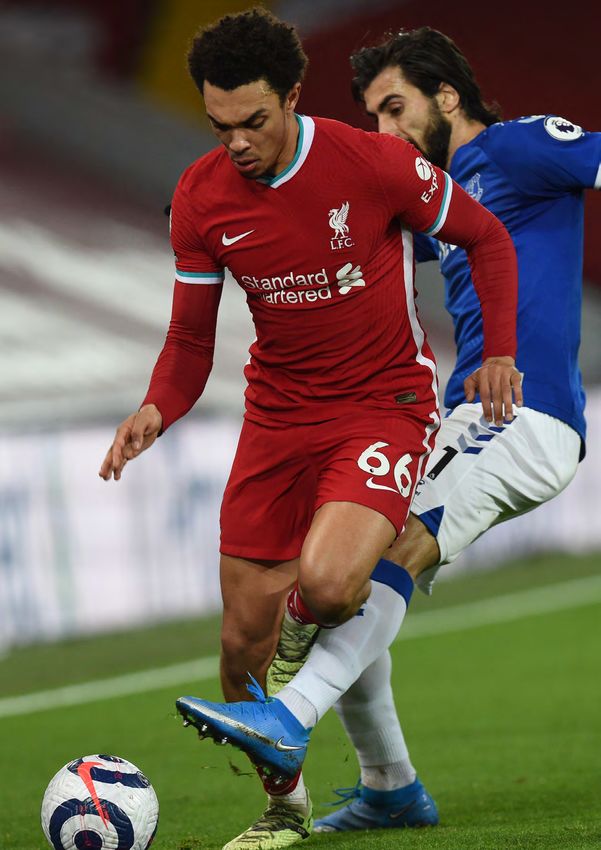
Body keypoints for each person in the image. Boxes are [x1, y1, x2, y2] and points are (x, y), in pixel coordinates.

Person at [99, 10, 520, 849]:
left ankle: (307, 640)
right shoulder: (201, 197)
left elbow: (486, 235)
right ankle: (283, 810)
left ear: (292, 96)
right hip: (276, 422)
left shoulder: (373, 163)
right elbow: (188, 342)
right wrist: (156, 407)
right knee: (238, 650)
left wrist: (499, 352)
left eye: (253, 121)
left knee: (327, 590)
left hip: (382, 407)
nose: (237, 144)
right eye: (220, 126)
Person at [244, 26, 601, 836]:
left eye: (395, 107)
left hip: (525, 413)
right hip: (465, 415)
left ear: (446, 96)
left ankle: (289, 714)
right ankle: (388, 786)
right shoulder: (434, 199)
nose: (385, 129)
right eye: (373, 115)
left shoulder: (517, 148)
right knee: (349, 565)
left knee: (397, 544)